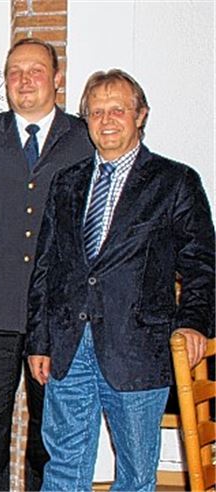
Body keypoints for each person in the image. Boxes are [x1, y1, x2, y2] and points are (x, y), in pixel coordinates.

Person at [26, 69, 214, 491]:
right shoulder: (67, 182)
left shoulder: (175, 182)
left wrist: (193, 322)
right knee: (63, 466)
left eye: (118, 110)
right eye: (96, 112)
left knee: (134, 474)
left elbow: (201, 263)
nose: (106, 120)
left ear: (140, 115)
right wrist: (39, 340)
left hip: (137, 351)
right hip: (69, 348)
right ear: (86, 120)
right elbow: (47, 266)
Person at [0, 38, 94, 491]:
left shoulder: (85, 137)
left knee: (49, 428)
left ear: (57, 78)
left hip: (57, 313)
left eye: (35, 70)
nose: (24, 80)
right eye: (14, 71)